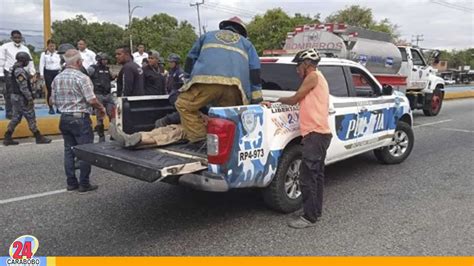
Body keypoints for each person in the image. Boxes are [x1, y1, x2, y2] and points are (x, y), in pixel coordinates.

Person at [265, 48, 332, 229]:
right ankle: (315, 212)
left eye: (298, 65)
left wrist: (275, 102)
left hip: (316, 135)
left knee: (307, 177)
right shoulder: (319, 78)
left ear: (307, 65)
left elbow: (295, 98)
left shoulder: (313, 76)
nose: (296, 70)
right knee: (316, 176)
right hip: (320, 134)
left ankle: (309, 217)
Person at [176, 16, 263, 143]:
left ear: (224, 26)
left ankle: (200, 139)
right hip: (235, 88)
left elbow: (190, 58)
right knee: (228, 118)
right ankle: (226, 146)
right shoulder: (247, 44)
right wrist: (257, 100)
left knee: (183, 105)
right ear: (241, 32)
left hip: (206, 81)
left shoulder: (207, 36)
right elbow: (255, 72)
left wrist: (188, 80)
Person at [52, 49, 106, 193]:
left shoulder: (57, 78)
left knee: (69, 151)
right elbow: (91, 99)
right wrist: (101, 108)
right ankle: (84, 183)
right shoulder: (82, 77)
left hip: (64, 118)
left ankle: (71, 183)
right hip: (80, 118)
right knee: (85, 151)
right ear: (78, 62)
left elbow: (52, 100)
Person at [3, 52, 51, 146]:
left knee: (16, 117)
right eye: (27, 60)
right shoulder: (19, 71)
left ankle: (7, 136)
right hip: (21, 97)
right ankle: (38, 136)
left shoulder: (13, 68)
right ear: (23, 60)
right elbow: (23, 87)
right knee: (30, 116)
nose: (28, 62)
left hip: (15, 96)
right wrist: (29, 98)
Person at [0, 30, 36, 119]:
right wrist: (1, 73)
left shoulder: (25, 48)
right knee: (9, 93)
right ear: (11, 38)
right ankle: (9, 113)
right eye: (15, 37)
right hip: (9, 72)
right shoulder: (5, 47)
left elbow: (30, 61)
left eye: (19, 37)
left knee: (24, 92)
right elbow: (1, 60)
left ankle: (22, 113)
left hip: (23, 73)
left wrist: (32, 72)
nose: (17, 39)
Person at [87, 52, 116, 142]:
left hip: (108, 94)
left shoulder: (107, 69)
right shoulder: (92, 68)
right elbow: (86, 78)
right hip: (98, 95)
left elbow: (112, 77)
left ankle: (113, 134)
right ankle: (101, 136)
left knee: (112, 115)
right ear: (99, 60)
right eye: (103, 59)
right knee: (99, 117)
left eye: (106, 59)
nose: (105, 61)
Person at [39, 39, 61, 114]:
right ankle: (51, 107)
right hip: (48, 72)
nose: (52, 47)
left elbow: (61, 64)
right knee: (50, 90)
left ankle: (58, 107)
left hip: (57, 72)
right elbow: (41, 64)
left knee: (58, 91)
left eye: (53, 46)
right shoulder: (44, 54)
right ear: (47, 46)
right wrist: (41, 74)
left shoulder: (58, 53)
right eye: (51, 46)